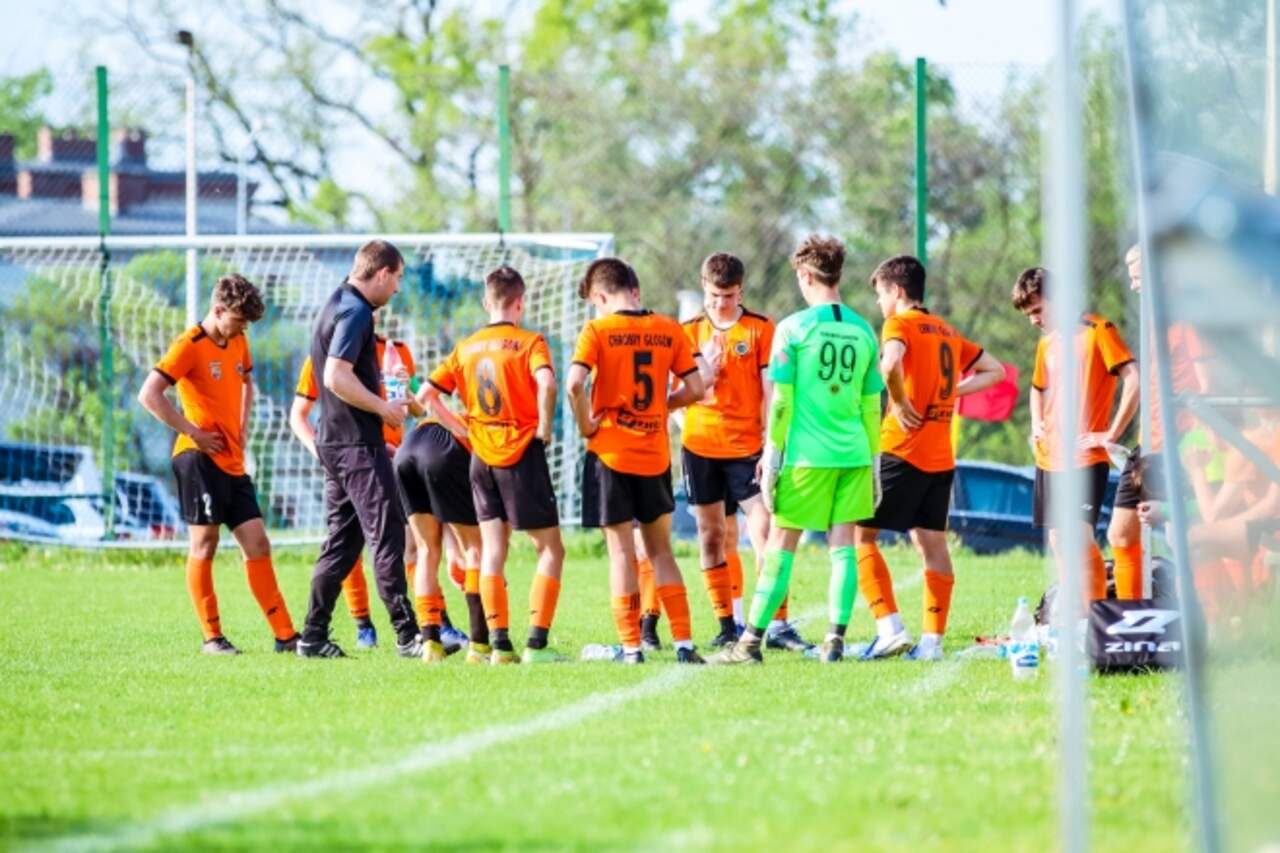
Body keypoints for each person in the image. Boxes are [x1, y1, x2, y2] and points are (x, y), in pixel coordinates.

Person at [709, 235, 882, 665]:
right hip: (855, 456)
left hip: (807, 459)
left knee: (780, 545)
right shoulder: (863, 329)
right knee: (843, 547)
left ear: (805, 275)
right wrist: (876, 462)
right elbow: (871, 405)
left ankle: (749, 643)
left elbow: (782, 401)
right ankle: (835, 641)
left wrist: (772, 454)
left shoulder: (793, 328)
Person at [852, 255, 1004, 661]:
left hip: (901, 450)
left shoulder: (898, 324)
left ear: (898, 290)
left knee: (859, 536)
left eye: (881, 294)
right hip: (939, 458)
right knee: (932, 543)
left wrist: (900, 402)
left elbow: (890, 365)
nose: (880, 303)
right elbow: (995, 371)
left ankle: (889, 630)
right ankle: (932, 644)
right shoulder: (946, 330)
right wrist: (951, 393)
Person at [137, 274, 297, 655]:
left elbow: (247, 384)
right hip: (198, 459)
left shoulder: (238, 340)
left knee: (258, 543)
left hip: (232, 460)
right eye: (238, 320)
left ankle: (286, 636)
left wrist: (242, 427)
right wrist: (193, 432)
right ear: (218, 309)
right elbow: (149, 394)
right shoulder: (188, 345)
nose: (243, 329)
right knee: (205, 544)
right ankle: (212, 638)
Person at [566, 257, 707, 664]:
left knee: (621, 554)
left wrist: (586, 425)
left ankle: (631, 648)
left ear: (600, 297)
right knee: (661, 551)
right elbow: (697, 388)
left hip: (610, 454)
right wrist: (662, 406)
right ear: (635, 290)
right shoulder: (669, 328)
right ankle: (684, 644)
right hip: (654, 455)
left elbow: (574, 384)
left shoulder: (597, 330)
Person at [423, 265, 566, 664]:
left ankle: (498, 645)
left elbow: (427, 396)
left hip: (481, 458)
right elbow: (548, 383)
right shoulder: (530, 342)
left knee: (492, 549)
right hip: (520, 454)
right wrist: (544, 427)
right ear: (520, 302)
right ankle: (536, 645)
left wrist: (462, 429)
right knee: (551, 549)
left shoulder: (466, 347)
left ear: (487, 301)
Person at [290, 338, 468, 652]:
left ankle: (436, 624)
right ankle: (366, 626)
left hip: (395, 460)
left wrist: (406, 390)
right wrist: (323, 455)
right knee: (352, 544)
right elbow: (298, 415)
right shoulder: (328, 356)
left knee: (410, 544)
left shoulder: (396, 351)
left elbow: (415, 409)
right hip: (355, 458)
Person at [680, 252, 810, 651]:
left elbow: (772, 389)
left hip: (747, 448)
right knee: (712, 535)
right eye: (715, 295)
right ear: (704, 287)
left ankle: (778, 624)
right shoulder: (687, 332)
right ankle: (728, 623)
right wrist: (699, 389)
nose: (721, 303)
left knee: (765, 529)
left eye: (729, 296)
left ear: (741, 291)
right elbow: (678, 393)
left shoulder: (760, 328)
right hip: (700, 448)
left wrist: (772, 443)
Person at [298, 240, 420, 658]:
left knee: (343, 544)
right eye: (397, 278)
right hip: (355, 445)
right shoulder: (356, 311)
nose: (397, 288)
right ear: (382, 273)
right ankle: (408, 635)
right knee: (387, 534)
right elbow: (335, 376)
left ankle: (312, 637)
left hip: (336, 442)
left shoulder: (335, 302)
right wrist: (383, 409)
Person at [1012, 266, 1138, 603]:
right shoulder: (1047, 343)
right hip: (1049, 457)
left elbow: (1134, 379)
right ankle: (1075, 610)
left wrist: (1111, 433)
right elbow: (1037, 388)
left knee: (1077, 537)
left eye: (1038, 310)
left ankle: (1092, 613)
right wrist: (1036, 423)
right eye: (1028, 314)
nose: (1034, 320)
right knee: (1058, 541)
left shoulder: (1099, 330)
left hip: (1085, 456)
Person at [1105, 244, 1208, 599]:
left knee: (1184, 534)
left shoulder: (1186, 316)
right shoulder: (1154, 320)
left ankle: (1200, 611)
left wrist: (1198, 435)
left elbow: (1204, 383)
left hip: (1179, 438)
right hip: (1149, 441)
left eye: (1138, 278)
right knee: (1121, 534)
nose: (1134, 286)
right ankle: (1133, 616)